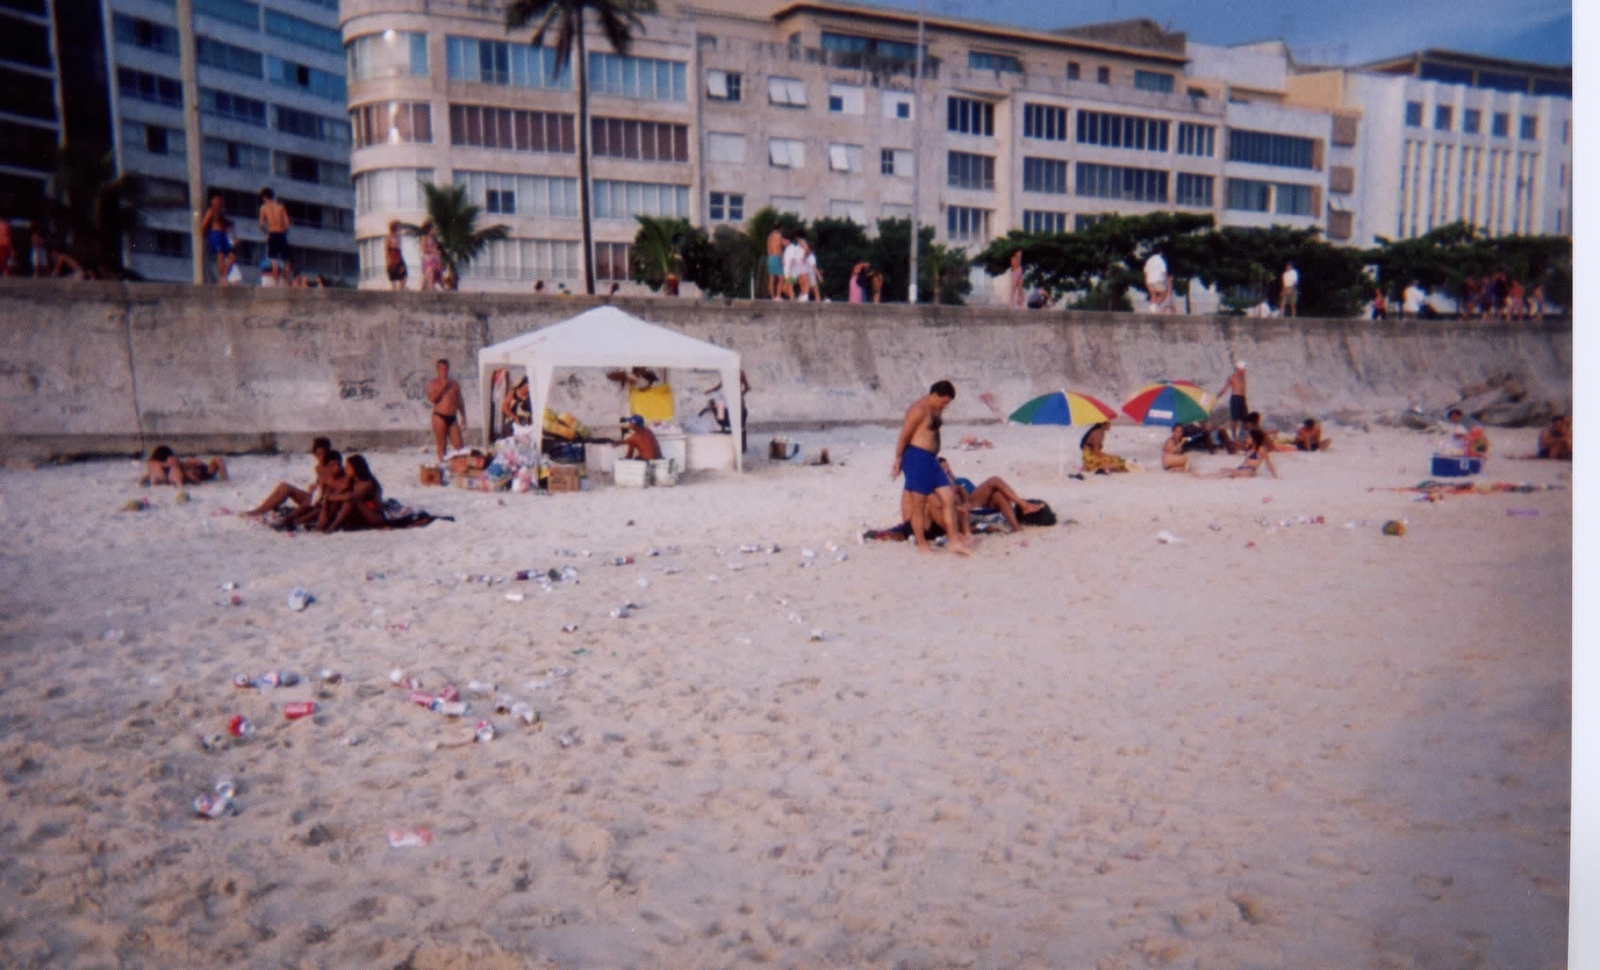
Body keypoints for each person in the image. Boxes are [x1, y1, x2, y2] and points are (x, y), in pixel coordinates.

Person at [892, 380, 969, 555]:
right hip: (916, 457)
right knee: (919, 503)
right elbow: (904, 437)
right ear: (933, 395)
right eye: (943, 401)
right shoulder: (918, 410)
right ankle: (922, 544)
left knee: (948, 497)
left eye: (947, 402)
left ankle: (954, 541)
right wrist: (898, 460)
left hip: (932, 460)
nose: (945, 406)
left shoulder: (936, 408)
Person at [936, 457, 1043, 533]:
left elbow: (977, 490)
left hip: (979, 501)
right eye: (943, 468)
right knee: (994, 480)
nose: (947, 469)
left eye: (948, 466)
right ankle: (1023, 505)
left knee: (998, 495)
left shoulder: (962, 479)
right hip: (969, 503)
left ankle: (1016, 528)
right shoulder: (944, 486)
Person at [243, 437, 336, 518]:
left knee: (286, 489)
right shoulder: (318, 467)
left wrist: (318, 487)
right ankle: (261, 509)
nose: (321, 458)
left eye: (324, 454)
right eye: (319, 454)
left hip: (321, 503)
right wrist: (315, 486)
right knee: (283, 486)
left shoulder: (332, 466)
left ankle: (259, 511)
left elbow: (335, 486)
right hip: (313, 498)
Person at [319, 454, 387, 532]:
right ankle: (324, 524)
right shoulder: (352, 481)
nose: (345, 469)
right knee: (338, 499)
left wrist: (329, 497)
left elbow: (352, 497)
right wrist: (327, 499)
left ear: (356, 468)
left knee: (350, 501)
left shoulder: (368, 483)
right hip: (361, 516)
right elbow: (340, 493)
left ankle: (332, 527)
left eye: (348, 467)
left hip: (375, 516)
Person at [426, 358, 465, 461]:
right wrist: (442, 387)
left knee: (459, 445)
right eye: (442, 369)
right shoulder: (433, 383)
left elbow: (459, 401)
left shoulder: (454, 384)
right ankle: (442, 465)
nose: (444, 371)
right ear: (437, 369)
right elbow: (433, 399)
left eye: (446, 368)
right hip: (439, 416)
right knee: (442, 445)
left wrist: (463, 416)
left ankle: (458, 465)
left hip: (452, 417)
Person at [143, 445, 228, 486]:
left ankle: (226, 480)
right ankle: (226, 481)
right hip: (199, 474)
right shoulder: (171, 469)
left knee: (218, 459)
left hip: (202, 471)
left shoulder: (179, 464)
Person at [258, 187, 291, 285]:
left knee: (274, 260)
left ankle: (276, 283)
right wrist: (283, 230)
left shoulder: (263, 208)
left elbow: (261, 224)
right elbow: (288, 223)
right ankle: (286, 281)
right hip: (281, 233)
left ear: (264, 197)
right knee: (286, 259)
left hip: (272, 233)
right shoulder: (280, 207)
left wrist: (266, 232)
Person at [200, 196, 235, 284]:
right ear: (213, 202)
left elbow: (225, 224)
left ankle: (224, 275)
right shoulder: (211, 211)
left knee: (232, 255)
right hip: (215, 235)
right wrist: (208, 234)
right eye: (217, 200)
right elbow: (203, 226)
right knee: (220, 255)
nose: (219, 202)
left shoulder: (221, 212)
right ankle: (222, 278)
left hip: (223, 236)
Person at [1216, 361, 1248, 444]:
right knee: (1234, 418)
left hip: (1242, 398)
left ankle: (1243, 437)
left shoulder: (1243, 376)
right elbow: (1225, 388)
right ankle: (1234, 437)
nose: (1244, 369)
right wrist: (1218, 396)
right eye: (1243, 368)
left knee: (1245, 419)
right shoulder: (1233, 377)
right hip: (1235, 398)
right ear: (1238, 368)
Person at [419, 222, 443, 291]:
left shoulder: (434, 239)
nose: (434, 230)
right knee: (430, 272)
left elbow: (436, 250)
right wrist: (432, 251)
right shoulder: (424, 238)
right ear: (428, 229)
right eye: (433, 228)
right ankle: (429, 288)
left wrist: (439, 260)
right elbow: (423, 249)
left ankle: (429, 287)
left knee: (435, 273)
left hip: (435, 258)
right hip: (428, 258)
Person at [384, 220, 407, 291]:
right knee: (393, 274)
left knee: (404, 273)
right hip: (392, 254)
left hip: (398, 254)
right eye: (398, 226)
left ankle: (401, 287)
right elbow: (386, 248)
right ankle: (394, 289)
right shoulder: (389, 236)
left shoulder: (398, 236)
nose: (400, 228)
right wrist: (388, 259)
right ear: (395, 227)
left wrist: (401, 256)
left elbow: (400, 248)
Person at [782, 234, 806, 301]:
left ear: (787, 240)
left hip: (791, 271)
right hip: (787, 271)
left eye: (783, 241)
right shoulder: (787, 249)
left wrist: (789, 270)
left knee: (790, 287)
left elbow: (792, 259)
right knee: (784, 288)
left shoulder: (792, 248)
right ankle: (794, 299)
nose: (782, 242)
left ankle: (792, 299)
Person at [766, 227, 787, 299]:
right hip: (776, 257)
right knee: (781, 278)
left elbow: (768, 248)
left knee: (771, 279)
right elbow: (778, 247)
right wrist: (782, 258)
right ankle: (778, 296)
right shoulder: (778, 235)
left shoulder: (769, 236)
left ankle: (772, 296)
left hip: (770, 257)